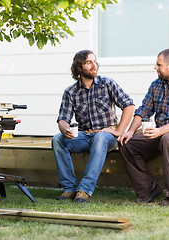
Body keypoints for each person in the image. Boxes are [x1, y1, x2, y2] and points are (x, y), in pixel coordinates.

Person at [118, 48, 169, 206]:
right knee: (127, 143)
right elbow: (143, 110)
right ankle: (148, 189)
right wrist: (129, 132)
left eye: (158, 64)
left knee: (168, 139)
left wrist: (160, 131)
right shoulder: (156, 85)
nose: (155, 67)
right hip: (161, 133)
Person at [52, 50, 135, 202]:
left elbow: (129, 106)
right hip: (84, 136)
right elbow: (63, 119)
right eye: (89, 62)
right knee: (57, 139)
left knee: (100, 137)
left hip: (106, 136)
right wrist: (64, 129)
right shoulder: (70, 92)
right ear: (79, 68)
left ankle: (84, 189)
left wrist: (119, 130)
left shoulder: (107, 84)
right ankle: (69, 188)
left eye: (95, 61)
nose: (94, 65)